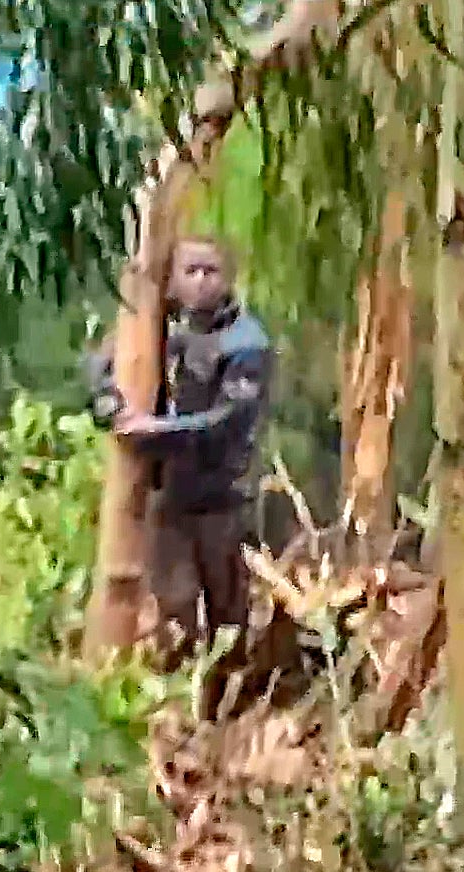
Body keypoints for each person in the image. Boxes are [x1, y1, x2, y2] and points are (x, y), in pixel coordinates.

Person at [86, 235, 275, 651]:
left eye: (212, 271)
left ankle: (229, 688)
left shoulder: (247, 342)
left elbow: (227, 421)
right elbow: (100, 365)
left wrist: (153, 430)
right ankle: (178, 684)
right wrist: (111, 407)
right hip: (168, 495)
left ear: (229, 279)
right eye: (192, 271)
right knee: (175, 610)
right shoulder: (153, 324)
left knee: (229, 617)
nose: (202, 281)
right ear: (172, 278)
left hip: (224, 498)